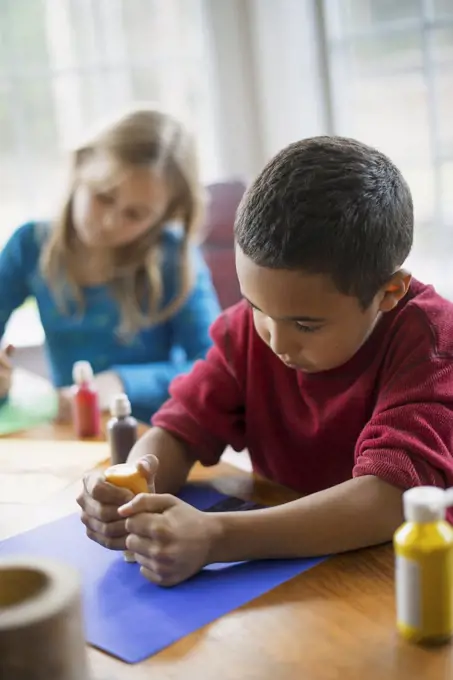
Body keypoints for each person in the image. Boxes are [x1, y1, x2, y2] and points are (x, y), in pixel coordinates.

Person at [78, 136, 453, 586]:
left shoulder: (430, 345)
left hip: (399, 580)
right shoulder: (248, 331)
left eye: (306, 325)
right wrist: (134, 486)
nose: (275, 339)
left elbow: (389, 499)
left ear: (388, 293)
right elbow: (178, 429)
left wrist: (215, 536)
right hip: (291, 575)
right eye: (255, 305)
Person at [0, 106, 220, 422]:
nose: (109, 221)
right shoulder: (29, 244)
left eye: (135, 214)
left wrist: (120, 382)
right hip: (75, 433)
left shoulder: (174, 258)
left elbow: (214, 366)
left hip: (162, 433)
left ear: (165, 216)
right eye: (103, 195)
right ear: (81, 165)